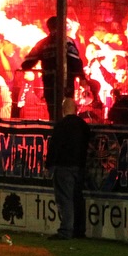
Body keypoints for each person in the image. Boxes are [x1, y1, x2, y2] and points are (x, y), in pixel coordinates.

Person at [20, 15, 98, 122]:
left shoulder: (43, 43)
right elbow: (75, 61)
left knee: (53, 111)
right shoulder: (68, 41)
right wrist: (82, 78)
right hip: (66, 83)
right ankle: (65, 131)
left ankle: (55, 130)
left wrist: (25, 66)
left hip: (49, 83)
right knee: (67, 110)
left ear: (49, 28)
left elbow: (29, 61)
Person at [47, 98, 90, 240]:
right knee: (77, 198)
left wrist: (49, 166)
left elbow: (54, 147)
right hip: (79, 166)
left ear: (63, 109)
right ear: (76, 109)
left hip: (64, 166)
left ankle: (66, 230)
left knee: (65, 199)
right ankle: (79, 230)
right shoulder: (83, 126)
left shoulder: (61, 126)